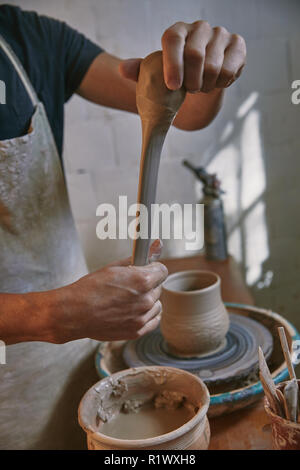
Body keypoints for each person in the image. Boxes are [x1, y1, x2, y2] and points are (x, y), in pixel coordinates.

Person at [0, 4, 246, 449]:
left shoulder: (26, 35)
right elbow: (55, 315)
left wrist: (205, 69)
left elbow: (186, 111)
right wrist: (51, 314)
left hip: (68, 361)